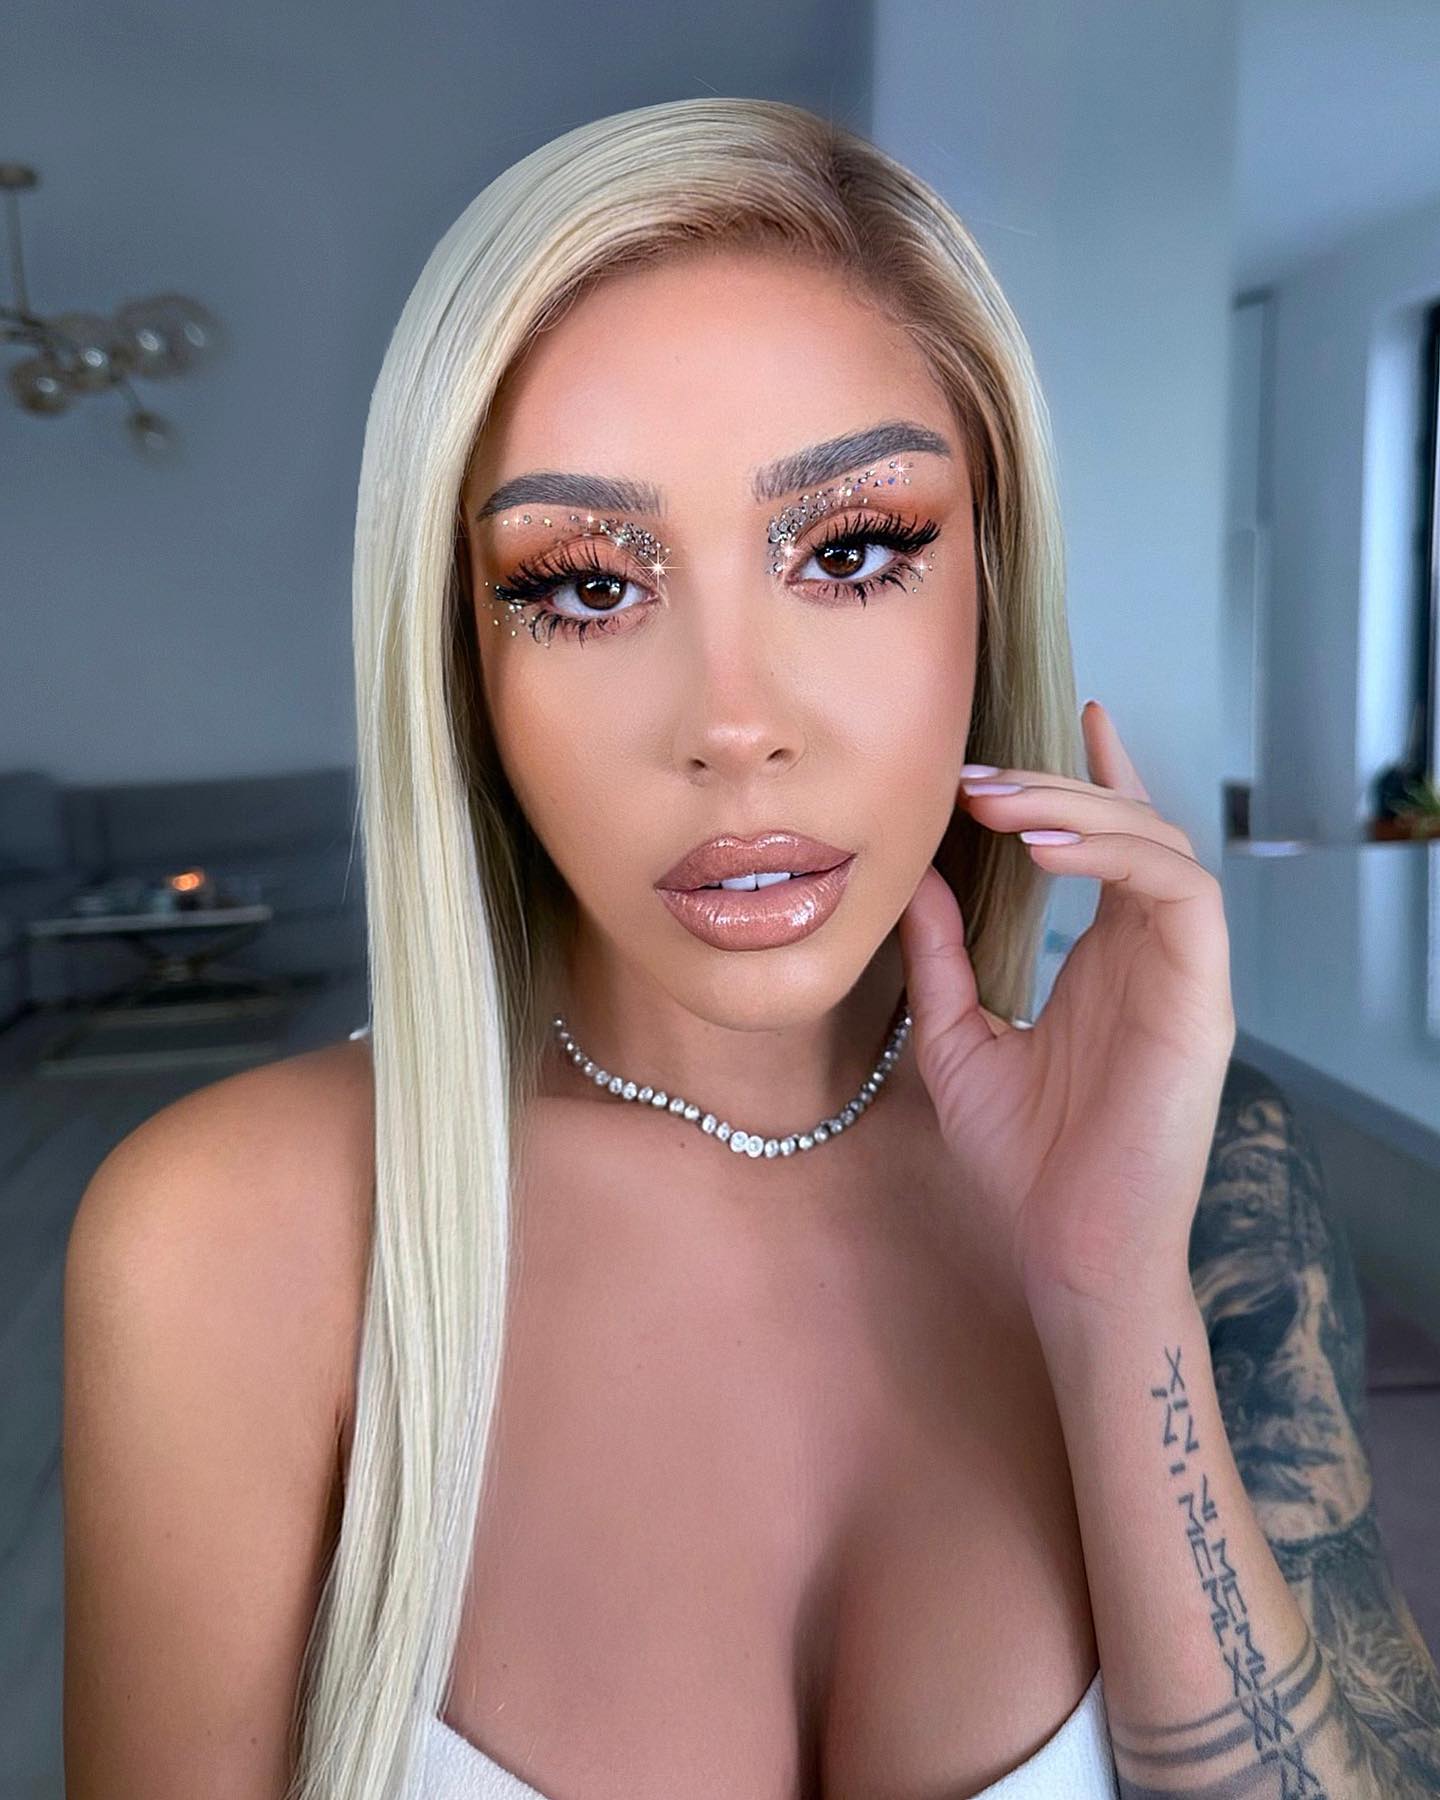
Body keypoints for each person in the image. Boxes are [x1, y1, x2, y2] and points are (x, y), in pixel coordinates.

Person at [61, 96, 1440, 1800]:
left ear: (991, 584)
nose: (733, 724)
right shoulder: (227, 1241)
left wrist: (1112, 1306)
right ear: (463, 664)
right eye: (585, 586)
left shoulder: (1208, 1175)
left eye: (852, 552)